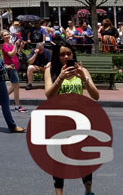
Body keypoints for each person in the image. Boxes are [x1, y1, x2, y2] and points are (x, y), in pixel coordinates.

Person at [45, 41, 99, 195]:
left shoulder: (82, 71)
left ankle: (88, 191)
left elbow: (96, 96)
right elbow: (49, 95)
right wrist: (60, 78)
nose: (66, 56)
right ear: (57, 56)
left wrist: (84, 79)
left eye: (69, 53)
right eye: (62, 54)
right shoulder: (51, 70)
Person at [1, 30, 26, 112]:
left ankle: (1, 98)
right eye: (5, 35)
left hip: (15, 66)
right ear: (2, 37)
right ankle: (17, 105)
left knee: (15, 86)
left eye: (8, 34)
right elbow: (11, 54)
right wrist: (15, 45)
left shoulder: (10, 44)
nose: (7, 36)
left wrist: (20, 46)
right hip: (11, 68)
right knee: (16, 87)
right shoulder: (4, 45)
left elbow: (16, 53)